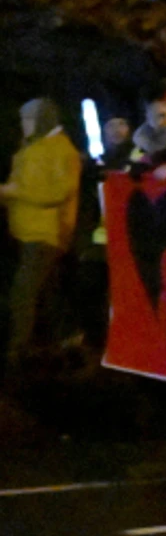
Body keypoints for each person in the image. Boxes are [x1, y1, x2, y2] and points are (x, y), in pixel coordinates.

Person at [2, 98, 84, 373]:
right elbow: (23, 185)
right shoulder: (33, 147)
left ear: (43, 120)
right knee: (47, 292)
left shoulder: (62, 150)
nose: (23, 125)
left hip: (46, 235)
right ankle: (68, 339)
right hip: (27, 233)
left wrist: (12, 192)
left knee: (22, 293)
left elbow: (58, 193)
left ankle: (17, 352)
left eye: (28, 120)